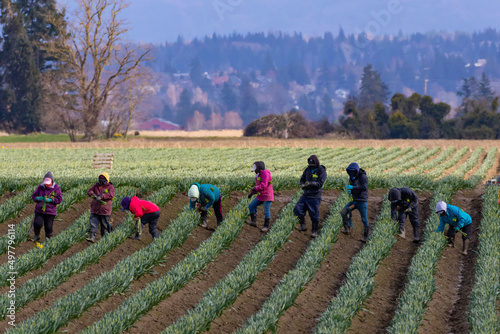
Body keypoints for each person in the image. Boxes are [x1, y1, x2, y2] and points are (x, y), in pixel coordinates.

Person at [293, 155, 327, 238]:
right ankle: (303, 225)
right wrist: (302, 185)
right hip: (306, 195)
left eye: (312, 165)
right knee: (297, 209)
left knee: (314, 214)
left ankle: (314, 231)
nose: (311, 166)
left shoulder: (321, 171)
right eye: (310, 165)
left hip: (315, 196)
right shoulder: (307, 170)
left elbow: (319, 184)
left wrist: (310, 183)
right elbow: (302, 179)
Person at [341, 162, 369, 242]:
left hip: (362, 201)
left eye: (352, 172)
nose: (351, 174)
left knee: (364, 219)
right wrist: (351, 191)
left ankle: (365, 237)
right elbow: (354, 188)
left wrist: (353, 187)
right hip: (354, 201)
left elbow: (364, 188)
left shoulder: (363, 177)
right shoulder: (351, 178)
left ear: (356, 171)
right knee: (343, 212)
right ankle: (346, 229)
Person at [30, 171, 63, 242]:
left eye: (48, 183)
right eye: (46, 183)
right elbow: (34, 196)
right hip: (39, 210)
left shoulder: (56, 188)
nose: (47, 185)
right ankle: (36, 235)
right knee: (37, 223)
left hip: (50, 211)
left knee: (48, 226)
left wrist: (50, 200)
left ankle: (48, 240)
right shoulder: (40, 187)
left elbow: (59, 199)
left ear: (52, 181)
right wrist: (38, 198)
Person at [86, 173, 115, 243]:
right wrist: (94, 195)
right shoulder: (96, 185)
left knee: (104, 226)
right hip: (95, 209)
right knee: (93, 223)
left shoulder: (110, 187)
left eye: (103, 181)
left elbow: (111, 195)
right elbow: (89, 191)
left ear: (106, 180)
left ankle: (103, 240)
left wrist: (102, 196)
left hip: (104, 210)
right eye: (100, 181)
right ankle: (92, 237)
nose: (101, 182)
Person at [246, 161, 274, 232]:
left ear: (259, 168)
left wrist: (254, 188)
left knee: (266, 211)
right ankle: (253, 221)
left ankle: (266, 226)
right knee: (251, 206)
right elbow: (258, 186)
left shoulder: (265, 174)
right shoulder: (258, 175)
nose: (254, 171)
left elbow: (263, 185)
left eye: (255, 169)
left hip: (267, 196)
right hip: (260, 195)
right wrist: (252, 193)